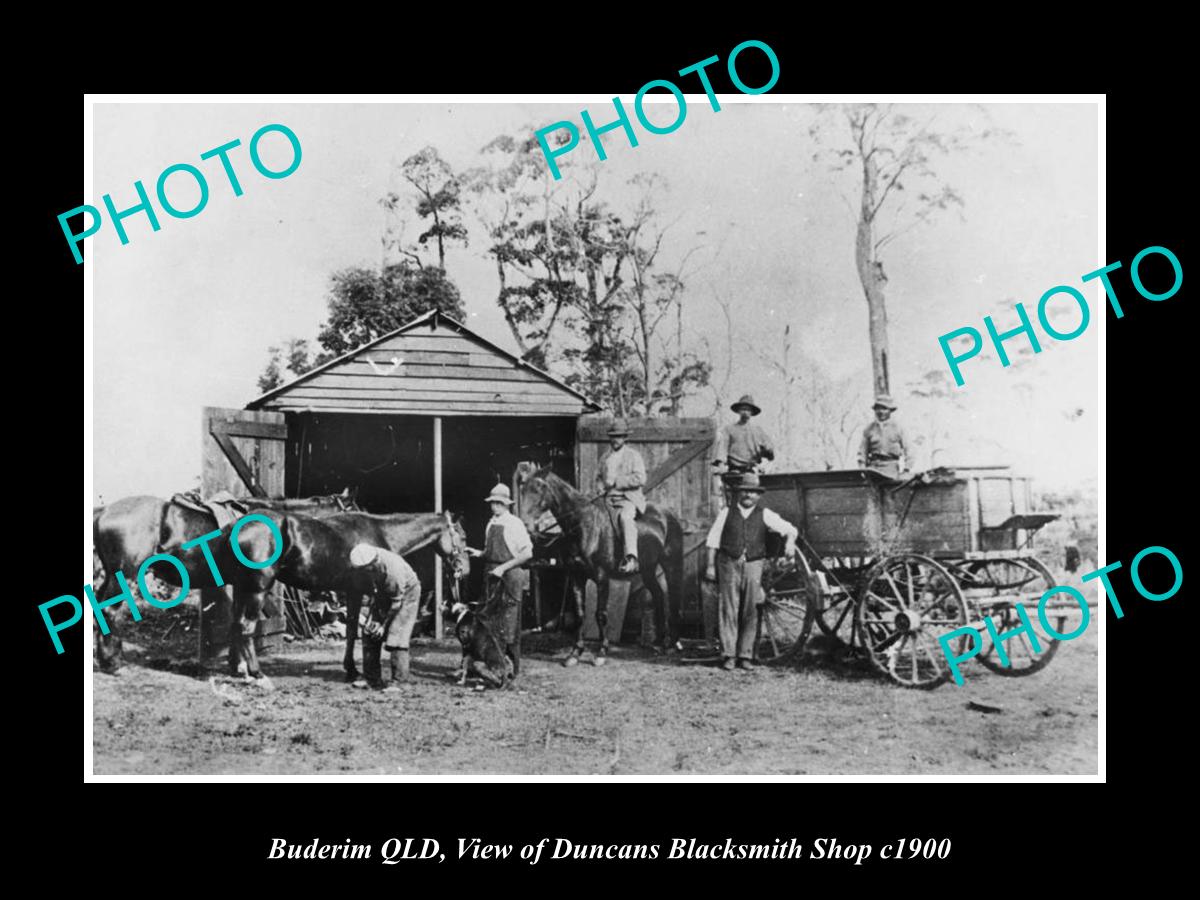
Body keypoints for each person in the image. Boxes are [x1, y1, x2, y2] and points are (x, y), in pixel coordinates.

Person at [704, 473, 798, 672]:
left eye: (753, 492)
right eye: (745, 491)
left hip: (754, 565)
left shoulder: (765, 514)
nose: (749, 495)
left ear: (759, 496)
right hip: (729, 563)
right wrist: (710, 567)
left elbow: (790, 529)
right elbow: (712, 541)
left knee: (751, 610)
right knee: (728, 609)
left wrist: (790, 542)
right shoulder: (726, 513)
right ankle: (728, 655)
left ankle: (745, 656)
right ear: (739, 493)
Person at [467, 483, 533, 677]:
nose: (494, 507)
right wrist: (479, 553)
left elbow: (527, 553)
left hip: (510, 577)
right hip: (491, 576)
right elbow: (490, 551)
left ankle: (509, 670)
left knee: (508, 625)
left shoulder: (515, 524)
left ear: (507, 504)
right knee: (486, 622)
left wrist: (503, 568)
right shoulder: (491, 523)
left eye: (499, 503)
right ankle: (486, 666)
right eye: (493, 503)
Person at [348, 542, 423, 691]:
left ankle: (400, 682)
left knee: (397, 634)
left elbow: (396, 604)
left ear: (374, 563)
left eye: (366, 570)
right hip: (383, 592)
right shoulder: (367, 565)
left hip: (407, 595)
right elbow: (374, 594)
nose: (363, 573)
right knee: (369, 631)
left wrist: (383, 626)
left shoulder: (393, 573)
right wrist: (373, 620)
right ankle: (372, 679)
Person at [596, 420, 647, 575]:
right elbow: (598, 477)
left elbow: (640, 478)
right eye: (612, 437)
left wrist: (617, 482)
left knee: (625, 518)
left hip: (627, 499)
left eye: (618, 437)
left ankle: (631, 558)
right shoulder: (605, 457)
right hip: (608, 499)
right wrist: (600, 488)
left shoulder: (633, 456)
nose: (615, 440)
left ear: (625, 438)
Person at [713, 394, 776, 476]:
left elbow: (769, 451)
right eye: (743, 409)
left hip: (752, 469)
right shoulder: (729, 429)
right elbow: (722, 448)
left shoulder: (757, 431)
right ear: (738, 411)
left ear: (752, 412)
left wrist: (768, 450)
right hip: (734, 469)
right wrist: (721, 464)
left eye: (748, 410)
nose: (745, 412)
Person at [858, 394, 909, 479]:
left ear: (890, 410)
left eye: (884, 408)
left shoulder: (898, 428)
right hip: (872, 468)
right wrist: (862, 467)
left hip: (890, 469)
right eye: (878, 408)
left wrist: (906, 469)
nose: (881, 412)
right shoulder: (869, 429)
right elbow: (862, 451)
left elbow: (909, 450)